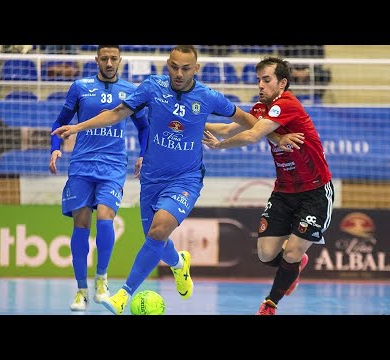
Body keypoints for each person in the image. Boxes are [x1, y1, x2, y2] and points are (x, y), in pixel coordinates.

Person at [51, 45, 281, 315]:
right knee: (156, 239)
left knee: (159, 231)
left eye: (186, 68)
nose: (179, 73)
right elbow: (116, 114)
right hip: (151, 178)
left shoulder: (207, 96)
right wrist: (77, 127)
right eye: (174, 67)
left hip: (186, 179)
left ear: (196, 69)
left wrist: (278, 137)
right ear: (167, 65)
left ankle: (123, 295)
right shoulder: (152, 87)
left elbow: (248, 120)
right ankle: (179, 264)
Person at [203, 56, 334, 315]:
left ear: (282, 83)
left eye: (266, 80)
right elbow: (230, 127)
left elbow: (251, 135)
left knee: (293, 251)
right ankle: (294, 265)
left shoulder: (286, 104)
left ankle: (269, 304)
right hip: (284, 191)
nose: (260, 85)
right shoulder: (262, 109)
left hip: (314, 191)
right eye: (258, 80)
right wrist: (195, 125)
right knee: (266, 254)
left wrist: (218, 146)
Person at [48, 45, 149, 312]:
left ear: (120, 60)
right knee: (81, 224)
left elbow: (144, 127)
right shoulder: (80, 87)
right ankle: (81, 290)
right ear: (96, 60)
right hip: (82, 165)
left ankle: (102, 281)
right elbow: (59, 124)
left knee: (106, 217)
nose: (108, 62)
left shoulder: (131, 91)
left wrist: (143, 154)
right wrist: (55, 148)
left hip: (113, 166)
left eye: (113, 58)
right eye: (104, 58)